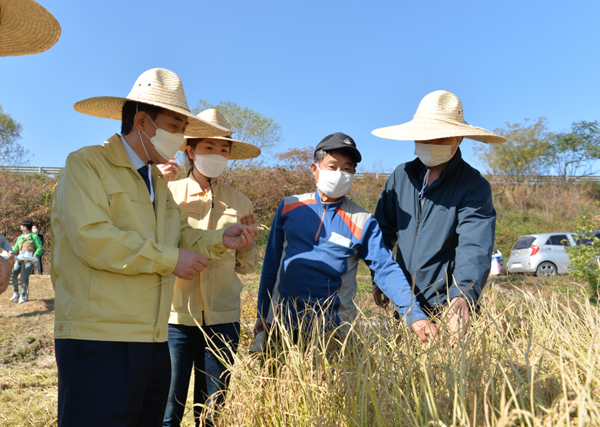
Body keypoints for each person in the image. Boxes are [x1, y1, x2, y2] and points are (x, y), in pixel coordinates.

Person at [51, 68, 258, 427]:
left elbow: (179, 235)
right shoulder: (87, 164)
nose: (180, 137)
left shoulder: (155, 183)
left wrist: (218, 240)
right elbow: (93, 238)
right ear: (143, 121)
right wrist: (170, 259)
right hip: (98, 336)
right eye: (176, 126)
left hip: (151, 336)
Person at [254, 132, 436, 348]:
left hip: (332, 332)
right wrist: (262, 313)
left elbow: (385, 268)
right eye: (332, 166)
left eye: (347, 168)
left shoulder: (362, 220)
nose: (340, 174)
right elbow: (271, 265)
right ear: (315, 169)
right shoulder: (290, 206)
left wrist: (413, 314)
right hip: (282, 326)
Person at [370, 90, 506, 337]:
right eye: (426, 138)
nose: (431, 145)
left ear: (459, 139)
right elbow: (381, 234)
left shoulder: (473, 186)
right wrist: (379, 278)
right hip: (405, 303)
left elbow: (474, 246)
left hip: (448, 308)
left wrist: (463, 295)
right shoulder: (401, 177)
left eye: (440, 138)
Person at [159, 109, 261, 427]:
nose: (217, 154)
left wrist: (246, 243)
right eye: (208, 147)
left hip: (223, 318)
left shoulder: (240, 202)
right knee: (167, 407)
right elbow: (155, 246)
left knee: (212, 409)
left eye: (224, 149)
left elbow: (245, 266)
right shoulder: (167, 193)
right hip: (175, 318)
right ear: (190, 150)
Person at [9, 220, 43, 303]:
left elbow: (40, 247)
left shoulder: (34, 236)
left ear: (25, 227)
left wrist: (35, 255)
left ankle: (22, 296)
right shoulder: (20, 237)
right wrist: (11, 252)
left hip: (29, 261)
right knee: (13, 274)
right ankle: (15, 293)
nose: (20, 227)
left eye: (21, 225)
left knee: (23, 278)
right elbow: (16, 248)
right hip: (20, 260)